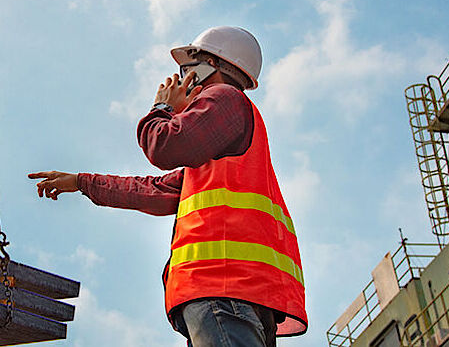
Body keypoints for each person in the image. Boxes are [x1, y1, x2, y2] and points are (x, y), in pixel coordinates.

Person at [28, 26, 307, 347]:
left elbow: (163, 146)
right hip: (240, 294)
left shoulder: (225, 97)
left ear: (207, 67)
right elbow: (155, 191)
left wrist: (163, 108)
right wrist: (82, 182)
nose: (180, 78)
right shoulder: (224, 155)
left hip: (221, 287)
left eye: (186, 69)